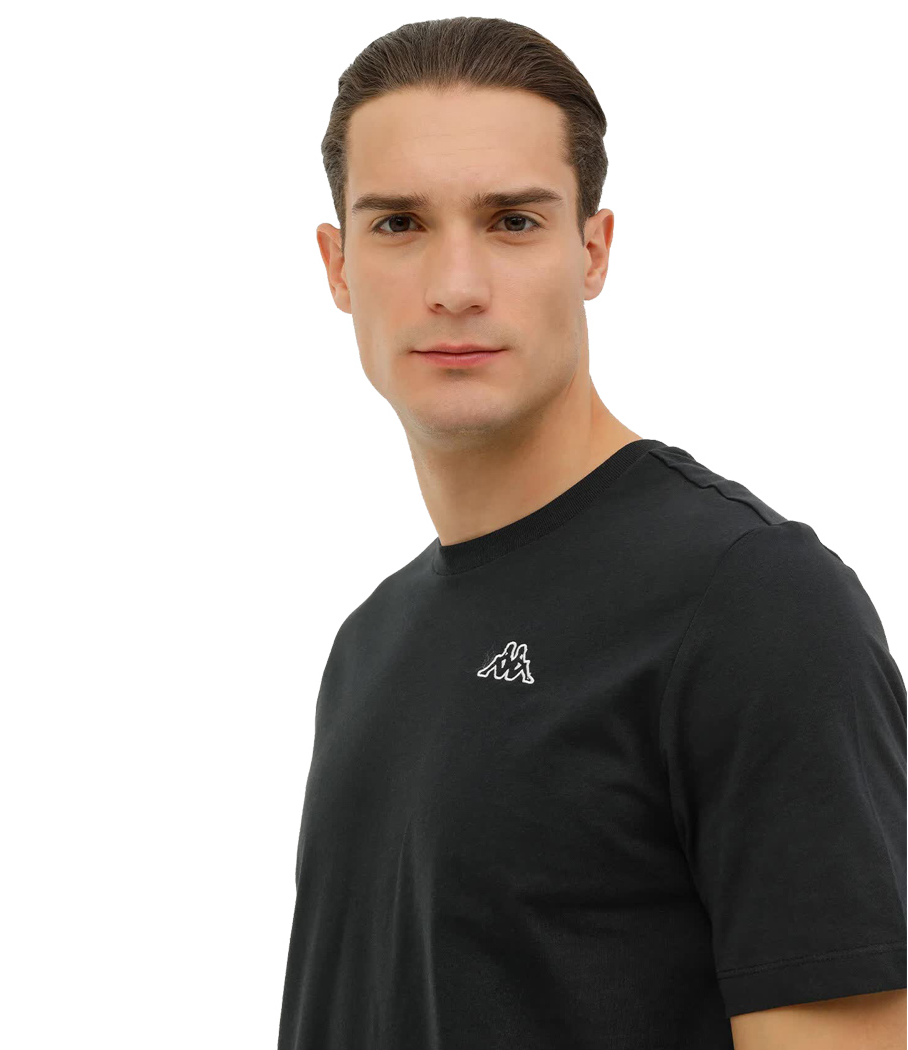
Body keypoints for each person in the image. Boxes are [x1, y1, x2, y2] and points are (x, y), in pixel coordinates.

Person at [276, 17, 907, 1050]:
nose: (456, 284)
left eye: (513, 221)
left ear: (593, 252)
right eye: (399, 224)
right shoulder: (370, 642)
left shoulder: (749, 602)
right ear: (337, 266)